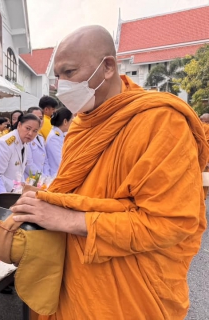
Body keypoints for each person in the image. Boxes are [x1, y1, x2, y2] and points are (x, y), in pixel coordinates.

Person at [12, 25, 209, 319]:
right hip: (74, 279)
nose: (60, 85)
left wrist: (69, 218)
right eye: (57, 77)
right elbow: (76, 190)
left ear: (107, 67)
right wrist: (45, 202)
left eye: (69, 72)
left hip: (130, 294)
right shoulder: (81, 125)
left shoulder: (161, 122)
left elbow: (172, 223)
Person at [0, 114, 41, 192]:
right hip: (2, 194)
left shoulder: (24, 142)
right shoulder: (5, 144)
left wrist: (22, 187)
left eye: (35, 131)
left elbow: (19, 172)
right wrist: (18, 188)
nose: (30, 133)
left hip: (15, 193)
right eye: (28, 128)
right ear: (19, 125)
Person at [45, 107, 73, 177]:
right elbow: (59, 160)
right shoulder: (54, 137)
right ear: (65, 122)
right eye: (72, 121)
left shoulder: (60, 134)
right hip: (56, 174)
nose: (73, 124)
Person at [24, 107, 49, 180]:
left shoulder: (40, 138)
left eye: (41, 118)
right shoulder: (26, 137)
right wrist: (42, 178)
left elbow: (45, 161)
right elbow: (28, 163)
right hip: (30, 179)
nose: (39, 121)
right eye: (35, 117)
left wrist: (46, 176)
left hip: (42, 179)